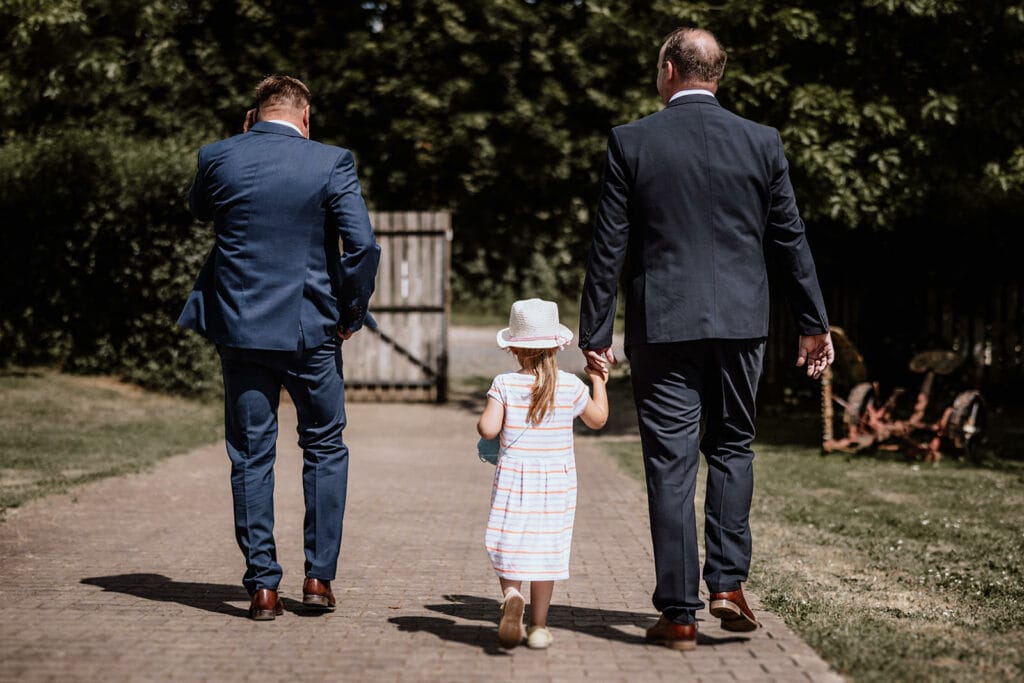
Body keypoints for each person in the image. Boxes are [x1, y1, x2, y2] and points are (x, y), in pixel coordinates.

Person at [578, 28, 834, 650]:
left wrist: (596, 333)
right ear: (717, 75)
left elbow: (609, 245)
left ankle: (679, 613)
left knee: (671, 464)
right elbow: (790, 238)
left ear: (669, 69)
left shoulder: (632, 140)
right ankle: (727, 585)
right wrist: (812, 322)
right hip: (743, 324)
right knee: (733, 446)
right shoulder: (762, 141)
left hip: (663, 324)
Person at [177, 75, 380, 620]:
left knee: (250, 454)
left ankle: (262, 587)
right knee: (324, 446)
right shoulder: (332, 162)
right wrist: (351, 314)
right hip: (311, 330)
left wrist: (241, 143)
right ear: (305, 118)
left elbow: (201, 209)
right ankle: (317, 579)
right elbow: (362, 246)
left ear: (254, 114)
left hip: (240, 330)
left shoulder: (218, 156)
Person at [477, 298, 609, 649]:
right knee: (545, 551)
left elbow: (488, 429)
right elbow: (598, 419)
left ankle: (511, 597)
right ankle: (537, 627)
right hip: (555, 486)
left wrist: (488, 420)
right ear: (555, 346)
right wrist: (598, 381)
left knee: (509, 542)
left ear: (514, 349)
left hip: (514, 480)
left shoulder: (504, 384)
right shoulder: (570, 386)